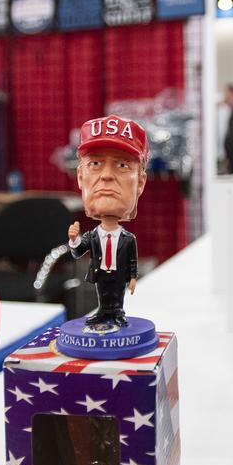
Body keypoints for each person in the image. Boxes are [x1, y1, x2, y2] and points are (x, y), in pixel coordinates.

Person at [68, 116, 146, 330]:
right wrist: (74, 240)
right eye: (95, 164)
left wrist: (132, 277)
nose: (106, 176)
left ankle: (117, 311)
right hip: (100, 273)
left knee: (116, 294)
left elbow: (131, 260)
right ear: (80, 177)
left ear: (140, 181)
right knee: (103, 293)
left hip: (119, 276)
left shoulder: (128, 238)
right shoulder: (92, 236)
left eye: (122, 165)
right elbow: (78, 252)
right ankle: (103, 310)